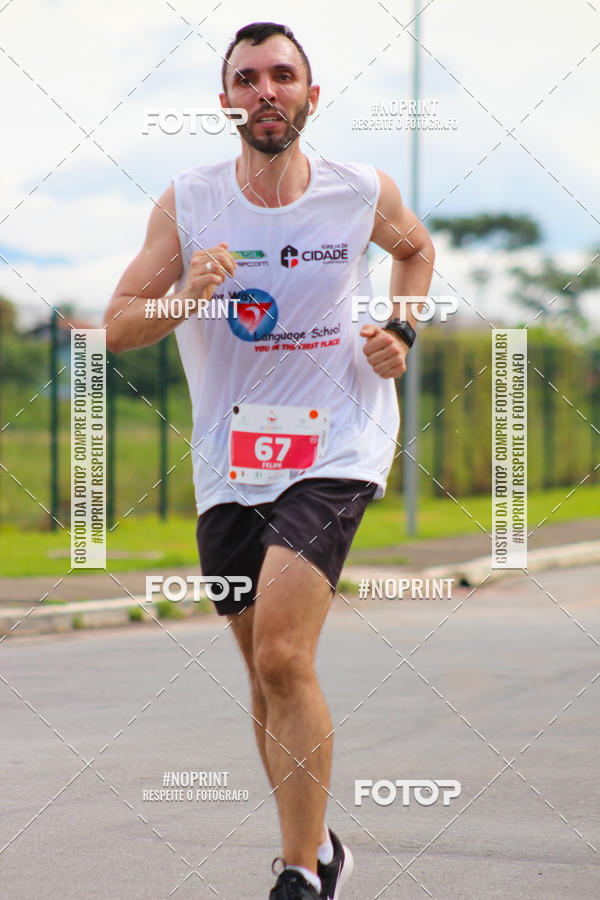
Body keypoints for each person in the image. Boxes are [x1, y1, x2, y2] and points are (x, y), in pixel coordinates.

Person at [104, 21, 434, 900]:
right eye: (246, 78)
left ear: (309, 96)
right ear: (227, 102)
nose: (265, 91)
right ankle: (318, 842)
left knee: (286, 655)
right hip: (231, 455)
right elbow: (118, 326)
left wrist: (402, 328)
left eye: (282, 75)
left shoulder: (358, 190)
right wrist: (184, 295)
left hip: (338, 440)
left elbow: (416, 250)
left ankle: (297, 875)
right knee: (262, 668)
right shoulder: (189, 201)